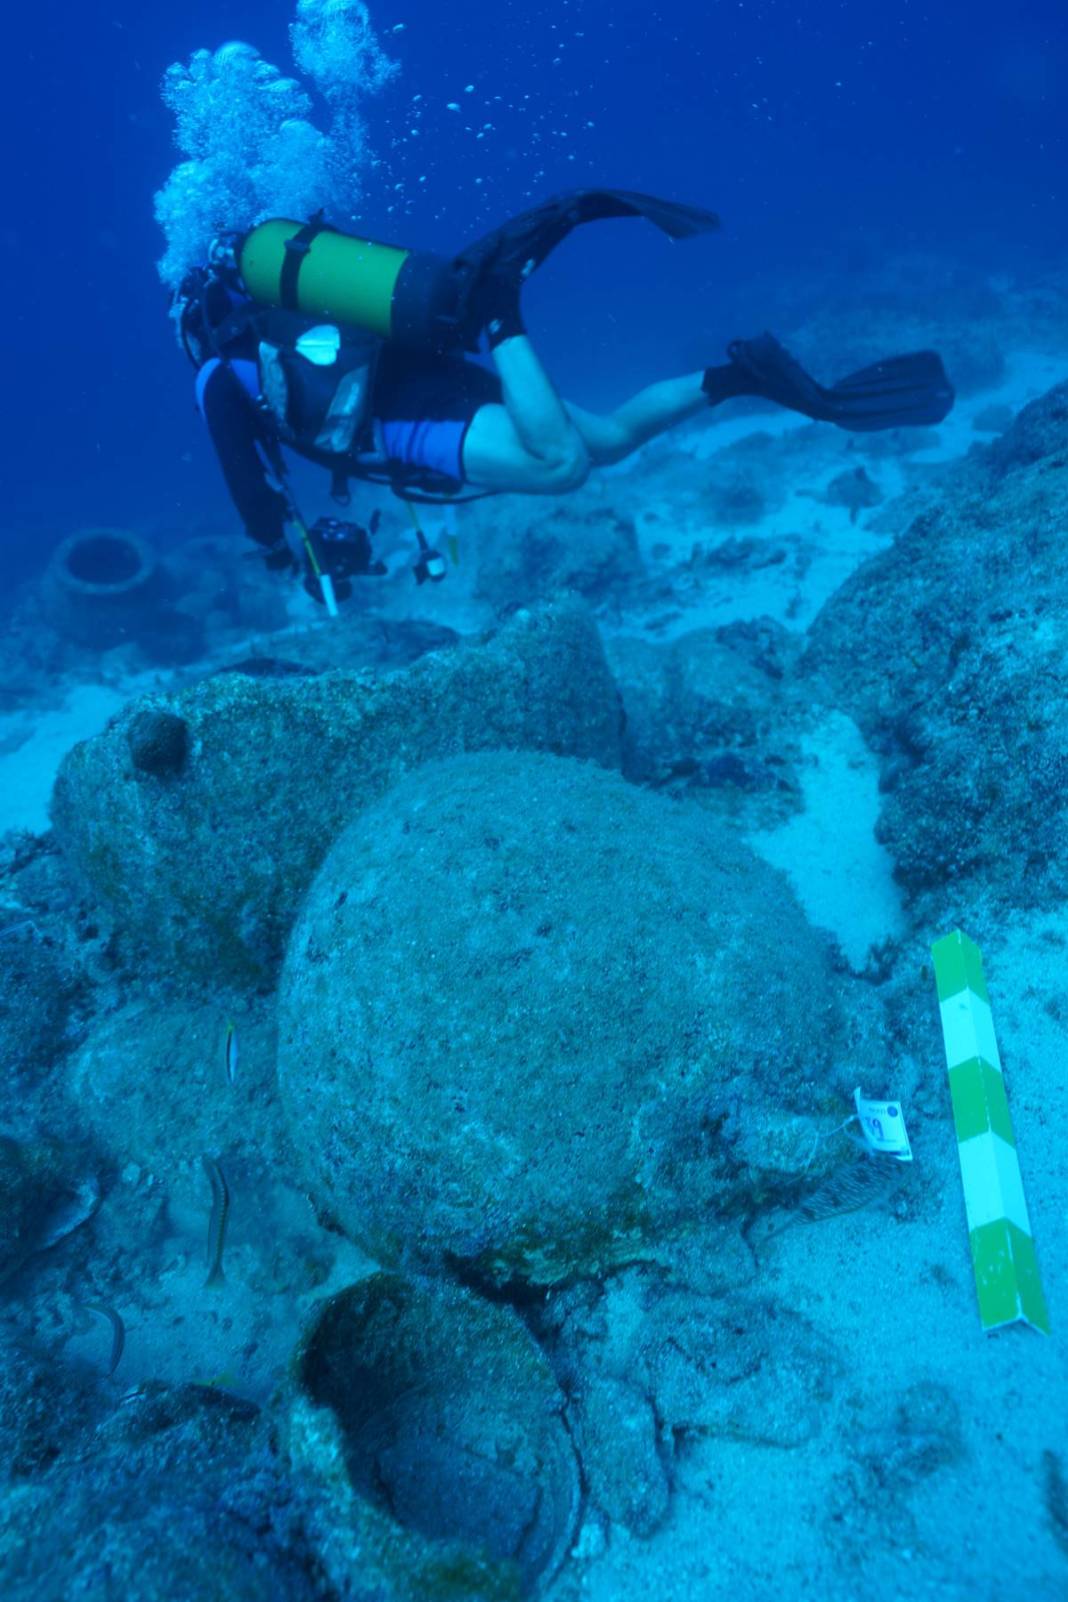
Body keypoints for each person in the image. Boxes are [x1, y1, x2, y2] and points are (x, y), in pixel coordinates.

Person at [177, 189, 954, 598]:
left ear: (195, 329)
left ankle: (500, 306)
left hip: (400, 415)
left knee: (561, 468)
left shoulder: (218, 373)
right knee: (607, 441)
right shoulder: (291, 313)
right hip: (419, 369)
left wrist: (280, 552)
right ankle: (738, 375)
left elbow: (251, 487)